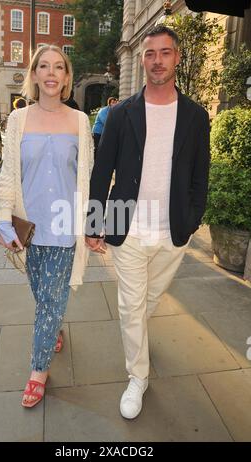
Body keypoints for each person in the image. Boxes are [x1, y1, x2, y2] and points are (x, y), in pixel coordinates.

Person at [85, 25, 210, 419]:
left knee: (146, 303)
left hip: (173, 231)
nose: (157, 60)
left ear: (177, 57)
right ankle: (137, 377)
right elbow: (101, 172)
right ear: (142, 60)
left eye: (165, 52)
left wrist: (192, 220)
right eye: (150, 53)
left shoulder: (195, 116)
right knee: (130, 306)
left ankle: (138, 334)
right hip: (129, 228)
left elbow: (199, 176)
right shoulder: (121, 114)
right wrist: (93, 223)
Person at [0, 44, 94, 408]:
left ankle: (39, 370)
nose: (52, 73)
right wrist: (4, 219)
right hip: (30, 228)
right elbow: (8, 176)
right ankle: (52, 326)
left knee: (50, 300)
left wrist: (92, 225)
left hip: (66, 228)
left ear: (67, 77)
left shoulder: (80, 122)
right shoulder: (18, 120)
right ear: (34, 75)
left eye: (59, 67)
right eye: (44, 66)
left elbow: (87, 177)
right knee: (42, 294)